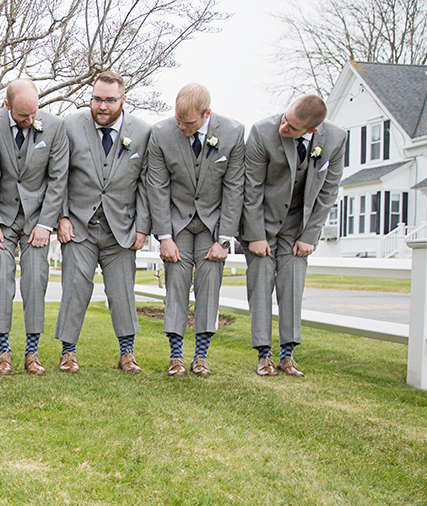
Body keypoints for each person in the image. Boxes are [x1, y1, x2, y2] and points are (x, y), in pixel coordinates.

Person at [242, 95, 346, 377]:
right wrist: (255, 235)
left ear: (311, 131)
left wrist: (310, 235)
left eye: (292, 127)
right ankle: (264, 356)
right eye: (285, 118)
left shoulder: (336, 139)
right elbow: (251, 188)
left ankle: (287, 356)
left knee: (292, 287)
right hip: (262, 224)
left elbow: (328, 192)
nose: (283, 126)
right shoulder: (262, 132)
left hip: (299, 227)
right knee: (261, 285)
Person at [55, 71, 151, 373]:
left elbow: (148, 184)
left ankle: (127, 353)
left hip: (121, 229)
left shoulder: (143, 132)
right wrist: (62, 216)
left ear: (123, 99)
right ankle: (68, 353)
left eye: (110, 100)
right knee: (74, 288)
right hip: (79, 226)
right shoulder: (70, 126)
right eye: (97, 99)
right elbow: (58, 176)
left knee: (122, 291)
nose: (102, 106)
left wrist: (142, 226)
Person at [146, 83, 245, 376]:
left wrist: (224, 240)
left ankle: (201, 356)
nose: (181, 126)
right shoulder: (161, 133)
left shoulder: (233, 133)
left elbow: (235, 187)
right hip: (176, 223)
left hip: (213, 226)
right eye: (178, 120)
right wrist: (164, 236)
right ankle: (176, 356)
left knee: (209, 286)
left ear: (206, 114)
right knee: (175, 283)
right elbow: (157, 186)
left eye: (188, 123)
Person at [0, 79, 69, 375]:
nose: (30, 121)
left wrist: (46, 223)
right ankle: (3, 350)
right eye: (22, 116)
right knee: (0, 280)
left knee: (35, 279)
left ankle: (32, 351)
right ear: (7, 105)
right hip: (0, 219)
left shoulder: (55, 127)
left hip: (37, 221)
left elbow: (58, 179)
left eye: (34, 114)